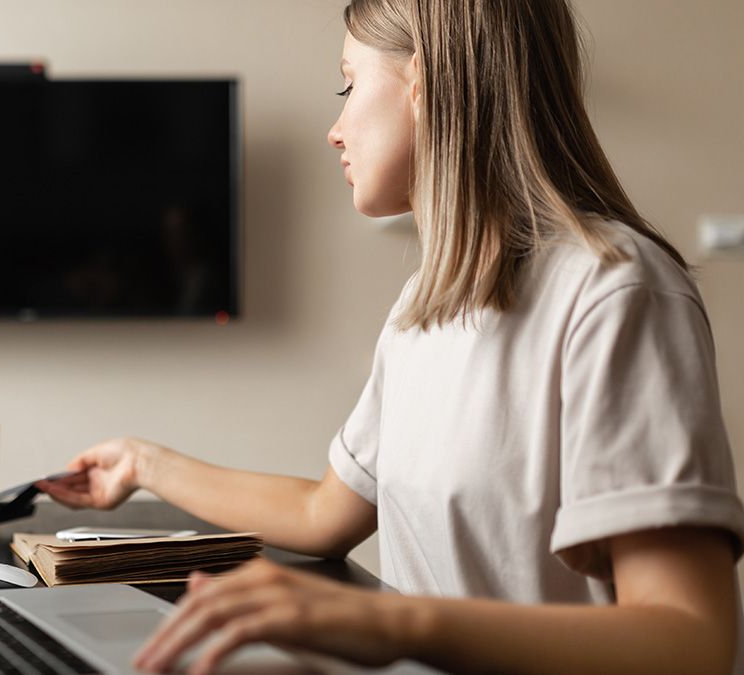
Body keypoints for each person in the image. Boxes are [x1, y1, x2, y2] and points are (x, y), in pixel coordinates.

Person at [38, 0, 744, 673]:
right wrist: (142, 464)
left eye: (347, 85)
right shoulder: (423, 308)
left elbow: (689, 640)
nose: (334, 128)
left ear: (425, 81)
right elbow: (323, 513)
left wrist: (391, 623)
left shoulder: (615, 292)